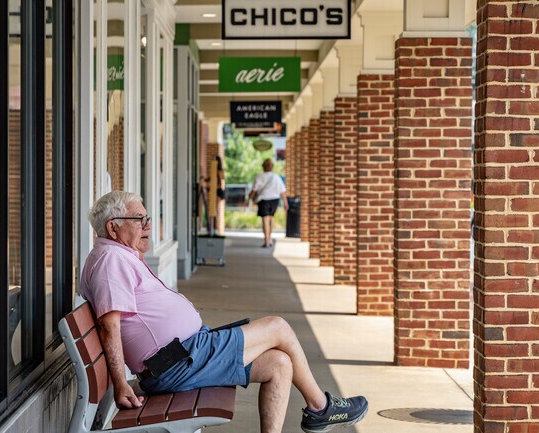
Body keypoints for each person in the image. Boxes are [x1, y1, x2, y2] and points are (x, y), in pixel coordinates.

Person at [80, 191, 368, 433]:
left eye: (148, 219)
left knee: (279, 364)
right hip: (179, 363)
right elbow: (110, 326)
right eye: (139, 219)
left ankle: (316, 410)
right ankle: (320, 407)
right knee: (278, 326)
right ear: (113, 227)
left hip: (188, 355)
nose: (148, 226)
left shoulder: (118, 255)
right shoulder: (110, 260)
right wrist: (119, 383)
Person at [248, 159, 288, 248]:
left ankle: (266, 240)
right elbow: (282, 191)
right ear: (272, 167)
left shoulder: (259, 176)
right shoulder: (276, 177)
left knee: (265, 220)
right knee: (271, 218)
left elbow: (254, 189)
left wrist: (249, 198)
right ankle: (269, 239)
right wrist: (285, 202)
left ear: (263, 167)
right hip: (274, 200)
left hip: (264, 200)